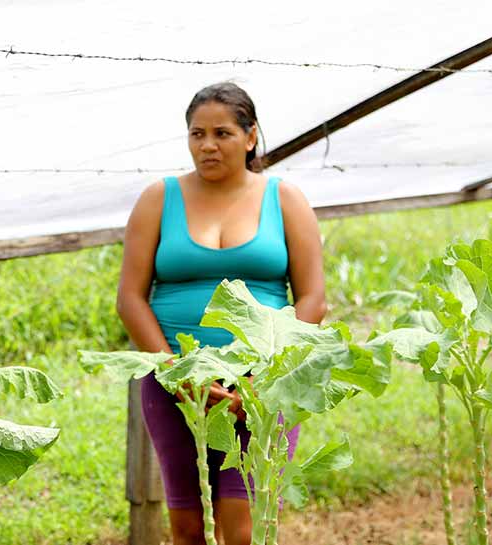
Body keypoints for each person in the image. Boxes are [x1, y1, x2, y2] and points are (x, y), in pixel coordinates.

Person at [116, 82, 326, 545]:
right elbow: (131, 297)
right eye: (197, 134)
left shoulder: (285, 199)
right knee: (187, 526)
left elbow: (313, 299)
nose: (207, 145)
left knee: (242, 526)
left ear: (251, 137)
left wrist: (262, 381)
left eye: (222, 133)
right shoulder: (159, 198)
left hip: (263, 378)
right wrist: (177, 373)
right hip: (176, 379)